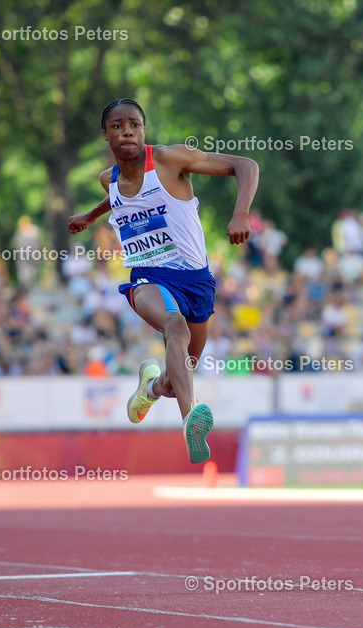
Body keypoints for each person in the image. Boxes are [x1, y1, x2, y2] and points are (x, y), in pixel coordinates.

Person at [68, 98, 258, 463]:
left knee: (176, 379)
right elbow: (117, 197)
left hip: (197, 281)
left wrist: (241, 213)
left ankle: (152, 387)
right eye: (118, 126)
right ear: (105, 134)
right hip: (148, 276)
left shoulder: (170, 159)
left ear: (143, 130)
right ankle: (191, 420)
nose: (127, 131)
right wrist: (90, 216)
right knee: (175, 327)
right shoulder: (108, 179)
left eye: (135, 125)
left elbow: (245, 164)